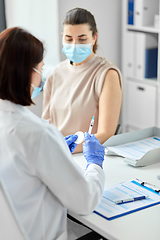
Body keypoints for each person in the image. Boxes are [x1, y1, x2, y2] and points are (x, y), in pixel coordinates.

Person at [0, 27, 105, 240]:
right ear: (25, 73)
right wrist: (95, 164)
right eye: (40, 69)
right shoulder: (38, 134)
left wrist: (56, 151)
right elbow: (85, 202)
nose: (41, 77)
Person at [42, 7, 123, 153]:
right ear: (62, 38)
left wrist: (64, 150)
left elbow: (106, 133)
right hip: (56, 154)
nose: (74, 45)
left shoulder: (106, 73)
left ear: (94, 38)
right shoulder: (56, 73)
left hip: (86, 156)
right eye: (69, 39)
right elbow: (46, 124)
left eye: (82, 39)